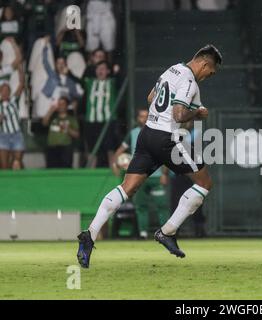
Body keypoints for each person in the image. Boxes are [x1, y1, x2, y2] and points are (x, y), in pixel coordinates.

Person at [76, 44, 222, 268]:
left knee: (128, 187)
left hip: (147, 135)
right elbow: (179, 113)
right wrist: (198, 113)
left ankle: (90, 234)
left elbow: (150, 96)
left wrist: (186, 113)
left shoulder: (172, 70)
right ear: (204, 64)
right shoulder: (190, 81)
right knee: (204, 184)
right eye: (210, 73)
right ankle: (168, 231)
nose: (208, 77)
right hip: (167, 138)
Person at [111, 108, 170, 239]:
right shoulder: (133, 133)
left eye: (146, 116)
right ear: (137, 118)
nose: (144, 119)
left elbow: (165, 154)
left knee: (162, 205)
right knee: (141, 206)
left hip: (156, 176)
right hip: (140, 176)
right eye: (142, 116)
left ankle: (165, 233)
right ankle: (143, 234)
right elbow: (119, 151)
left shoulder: (159, 132)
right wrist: (115, 164)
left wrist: (164, 174)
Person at [82, 60, 118, 168]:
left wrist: (117, 71)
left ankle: (113, 171)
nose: (100, 71)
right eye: (98, 68)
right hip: (92, 121)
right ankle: (90, 172)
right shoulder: (89, 82)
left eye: (103, 68)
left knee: (110, 148)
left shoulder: (112, 82)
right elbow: (81, 78)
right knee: (92, 149)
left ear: (107, 71)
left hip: (108, 121)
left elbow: (122, 78)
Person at [42, 96, 80, 168]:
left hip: (65, 149)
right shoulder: (53, 117)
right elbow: (44, 123)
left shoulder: (71, 119)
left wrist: (68, 129)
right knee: (52, 171)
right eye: (59, 104)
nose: (60, 106)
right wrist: (50, 111)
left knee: (65, 170)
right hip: (52, 148)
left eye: (63, 104)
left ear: (66, 106)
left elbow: (77, 135)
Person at [0, 80, 24, 170]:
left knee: (17, 163)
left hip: (16, 135)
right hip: (3, 136)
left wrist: (20, 68)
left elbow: (21, 84)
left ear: (10, 92)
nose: (5, 92)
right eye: (3, 90)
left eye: (7, 90)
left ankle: (18, 183)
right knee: (4, 165)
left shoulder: (14, 101)